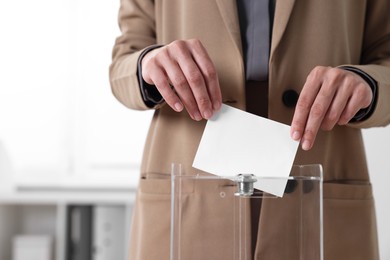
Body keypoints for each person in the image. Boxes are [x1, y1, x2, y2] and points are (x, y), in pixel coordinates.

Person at [109, 0, 390, 259]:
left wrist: (368, 84)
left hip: (318, 169)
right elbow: (125, 58)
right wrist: (149, 64)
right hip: (190, 173)